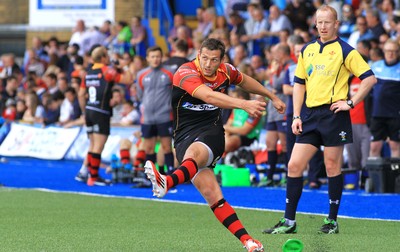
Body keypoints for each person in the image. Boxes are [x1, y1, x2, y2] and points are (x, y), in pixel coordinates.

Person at [144, 38, 286, 252]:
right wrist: (243, 104)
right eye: (205, 58)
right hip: (183, 134)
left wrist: (271, 96)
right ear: (198, 54)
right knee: (214, 197)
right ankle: (248, 241)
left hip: (212, 131)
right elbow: (209, 95)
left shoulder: (226, 71)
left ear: (221, 60)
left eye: (214, 60)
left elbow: (245, 80)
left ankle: (167, 181)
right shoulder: (185, 72)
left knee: (196, 153)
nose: (208, 64)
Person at [263, 5, 377, 235]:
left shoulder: (346, 50)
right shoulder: (307, 50)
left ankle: (332, 221)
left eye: (327, 22)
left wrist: (350, 103)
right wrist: (296, 115)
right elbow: (299, 83)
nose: (322, 26)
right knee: (294, 165)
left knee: (332, 166)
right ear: (314, 23)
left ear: (336, 24)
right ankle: (289, 222)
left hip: (334, 115)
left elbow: (369, 79)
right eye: (319, 22)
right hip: (309, 115)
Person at [78, 46, 132, 186]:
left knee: (93, 144)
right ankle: (93, 177)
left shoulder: (88, 72)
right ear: (102, 57)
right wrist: (124, 67)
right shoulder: (106, 70)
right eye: (107, 56)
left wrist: (84, 111)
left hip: (89, 109)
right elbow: (127, 80)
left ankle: (86, 172)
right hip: (101, 111)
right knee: (99, 145)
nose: (108, 58)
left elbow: (80, 94)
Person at [135, 46, 175, 175]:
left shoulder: (170, 73)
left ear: (161, 57)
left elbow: (176, 92)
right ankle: (151, 177)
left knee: (166, 147)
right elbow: (140, 94)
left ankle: (169, 175)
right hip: (147, 117)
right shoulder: (141, 74)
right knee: (149, 148)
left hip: (165, 116)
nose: (155, 59)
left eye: (158, 56)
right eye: (152, 56)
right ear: (147, 58)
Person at [369, 39, 400, 158]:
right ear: (384, 51)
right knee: (374, 146)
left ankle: (396, 175)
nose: (390, 54)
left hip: (395, 115)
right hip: (377, 114)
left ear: (398, 52)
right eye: (388, 51)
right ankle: (374, 176)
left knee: (394, 145)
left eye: (393, 51)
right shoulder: (376, 66)